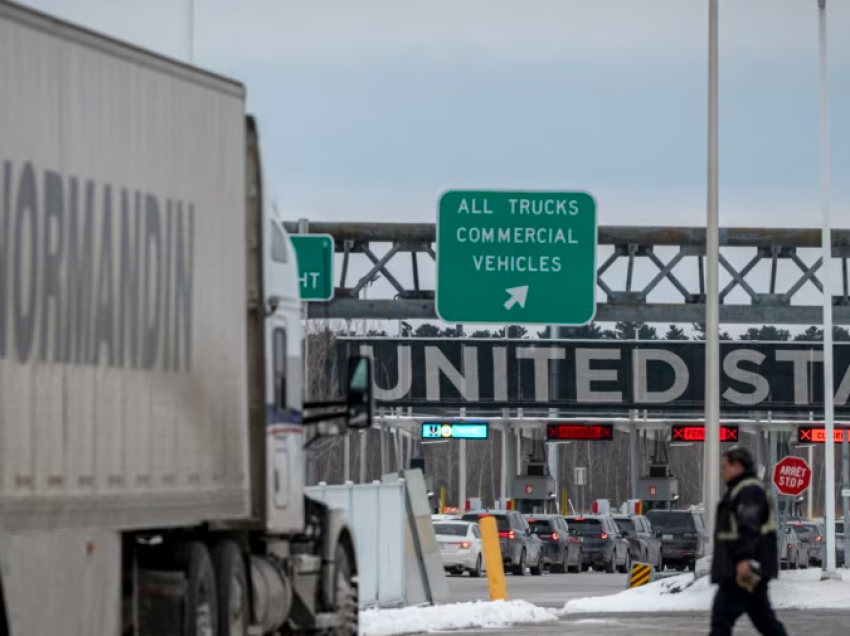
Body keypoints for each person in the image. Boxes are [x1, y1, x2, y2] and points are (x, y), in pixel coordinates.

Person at [709, 446, 787, 636]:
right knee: (764, 619)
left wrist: (744, 559)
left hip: (743, 568)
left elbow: (749, 526)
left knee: (721, 618)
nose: (722, 472)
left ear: (738, 466)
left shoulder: (748, 490)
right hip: (745, 566)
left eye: (725, 467)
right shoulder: (741, 489)